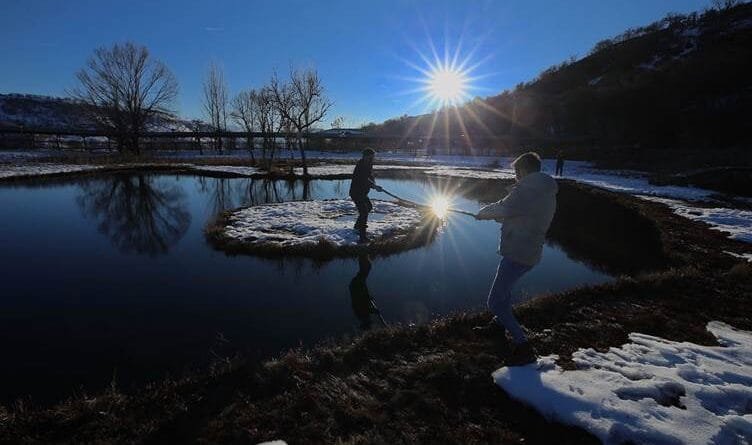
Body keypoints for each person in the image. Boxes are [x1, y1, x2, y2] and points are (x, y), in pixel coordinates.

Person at [474, 152, 558, 365]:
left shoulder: (527, 189)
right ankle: (498, 325)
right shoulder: (542, 189)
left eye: (516, 172)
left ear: (523, 170)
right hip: (528, 251)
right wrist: (498, 216)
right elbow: (518, 213)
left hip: (518, 252)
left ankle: (523, 344)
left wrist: (483, 213)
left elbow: (505, 207)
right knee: (505, 292)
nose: (515, 176)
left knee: (494, 301)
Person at [349, 148, 383, 243]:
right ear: (364, 156)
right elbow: (363, 179)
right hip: (356, 193)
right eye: (369, 157)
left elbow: (370, 177)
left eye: (372, 157)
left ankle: (357, 226)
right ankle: (362, 237)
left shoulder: (369, 164)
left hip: (363, 193)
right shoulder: (360, 165)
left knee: (369, 207)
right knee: (364, 212)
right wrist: (373, 186)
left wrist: (374, 184)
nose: (371, 159)